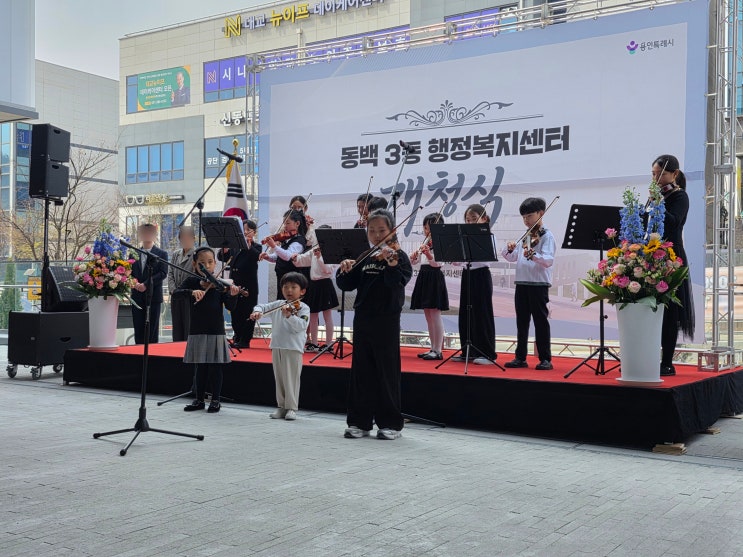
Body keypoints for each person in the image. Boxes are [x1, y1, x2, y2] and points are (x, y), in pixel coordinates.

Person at [336, 209, 412, 440]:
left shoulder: (400, 257)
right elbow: (346, 285)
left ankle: (391, 424)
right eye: (372, 231)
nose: (377, 235)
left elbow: (397, 283)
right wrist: (344, 268)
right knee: (361, 372)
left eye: (382, 230)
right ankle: (359, 422)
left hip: (387, 320)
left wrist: (392, 264)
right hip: (363, 319)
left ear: (391, 230)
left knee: (386, 372)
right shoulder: (364, 256)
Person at [175, 246, 241, 413]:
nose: (207, 266)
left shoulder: (221, 284)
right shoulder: (192, 281)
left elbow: (231, 307)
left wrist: (233, 295)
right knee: (200, 367)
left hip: (215, 329)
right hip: (197, 328)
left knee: (215, 367)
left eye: (210, 262)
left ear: (215, 263)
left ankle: (216, 400)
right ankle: (199, 399)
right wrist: (192, 292)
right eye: (202, 263)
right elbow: (176, 294)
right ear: (195, 264)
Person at [652, 154, 695, 376]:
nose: (656, 179)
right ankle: (648, 357)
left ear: (674, 174)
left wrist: (658, 203)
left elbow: (673, 221)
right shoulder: (657, 195)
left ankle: (667, 362)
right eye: (653, 174)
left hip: (672, 255)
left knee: (670, 311)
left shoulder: (680, 196)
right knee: (651, 308)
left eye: (660, 174)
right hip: (652, 254)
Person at [501, 198, 556, 370]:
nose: (526, 220)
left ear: (541, 213)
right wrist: (509, 249)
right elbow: (512, 257)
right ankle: (520, 357)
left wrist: (533, 256)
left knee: (541, 321)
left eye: (530, 216)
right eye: (524, 217)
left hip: (538, 284)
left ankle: (545, 358)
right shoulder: (527, 235)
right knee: (522, 321)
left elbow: (548, 260)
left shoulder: (547, 235)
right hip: (522, 283)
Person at [250, 272, 310, 421]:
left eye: (293, 287)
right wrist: (257, 312)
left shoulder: (303, 308)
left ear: (302, 291)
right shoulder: (278, 304)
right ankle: (281, 406)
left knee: (291, 379)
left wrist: (289, 316)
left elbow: (301, 326)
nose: (289, 290)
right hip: (277, 346)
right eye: (285, 287)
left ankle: (292, 408)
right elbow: (261, 306)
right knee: (280, 378)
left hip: (293, 347)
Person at [455, 204, 497, 365]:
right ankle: (468, 351)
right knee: (466, 312)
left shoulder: (489, 236)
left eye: (474, 219)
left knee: (482, 313)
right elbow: (460, 260)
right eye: (467, 220)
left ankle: (488, 353)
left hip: (481, 275)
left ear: (484, 219)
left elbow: (487, 258)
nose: (470, 222)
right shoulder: (463, 237)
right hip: (467, 274)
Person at [291, 224, 339, 352]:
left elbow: (328, 270)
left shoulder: (331, 250)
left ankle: (328, 344)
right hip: (314, 284)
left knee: (327, 315)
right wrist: (296, 258)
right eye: (319, 235)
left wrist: (319, 257)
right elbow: (303, 259)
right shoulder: (315, 248)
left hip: (325, 284)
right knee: (313, 315)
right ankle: (314, 343)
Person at [409, 213, 449, 360]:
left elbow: (438, 263)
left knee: (435, 315)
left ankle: (438, 350)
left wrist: (429, 255)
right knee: (428, 315)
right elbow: (415, 262)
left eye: (431, 228)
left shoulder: (441, 242)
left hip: (434, 277)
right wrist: (414, 257)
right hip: (424, 275)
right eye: (425, 228)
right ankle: (432, 348)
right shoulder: (425, 242)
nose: (427, 231)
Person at [219, 219, 261, 349]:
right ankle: (237, 336)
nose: (245, 232)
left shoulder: (256, 246)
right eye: (243, 230)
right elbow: (222, 257)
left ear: (254, 232)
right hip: (235, 285)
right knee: (236, 312)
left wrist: (248, 247)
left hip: (249, 286)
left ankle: (245, 339)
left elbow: (257, 257)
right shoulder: (235, 246)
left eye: (248, 230)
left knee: (247, 313)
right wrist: (224, 250)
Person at [131, 223, 168, 344]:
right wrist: (135, 283)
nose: (146, 235)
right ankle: (138, 353)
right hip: (136, 296)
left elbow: (163, 273)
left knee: (152, 330)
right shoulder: (133, 253)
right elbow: (129, 272)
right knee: (138, 329)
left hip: (153, 297)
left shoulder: (162, 253)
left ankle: (152, 354)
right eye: (144, 232)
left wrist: (146, 284)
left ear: (155, 235)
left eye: (149, 232)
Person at [259, 209, 308, 299]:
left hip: (292, 279)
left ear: (297, 223)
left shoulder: (299, 241)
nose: (285, 226)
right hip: (282, 277)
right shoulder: (286, 238)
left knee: (288, 302)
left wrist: (274, 246)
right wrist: (268, 257)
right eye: (284, 223)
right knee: (281, 301)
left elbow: (287, 256)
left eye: (287, 223)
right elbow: (278, 256)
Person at [168, 226, 196, 342]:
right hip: (176, 295)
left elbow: (195, 275)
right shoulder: (176, 254)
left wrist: (184, 291)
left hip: (189, 296)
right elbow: (170, 273)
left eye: (188, 237)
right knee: (177, 328)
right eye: (182, 237)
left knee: (188, 327)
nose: (185, 240)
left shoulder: (196, 254)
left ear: (193, 239)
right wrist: (173, 290)